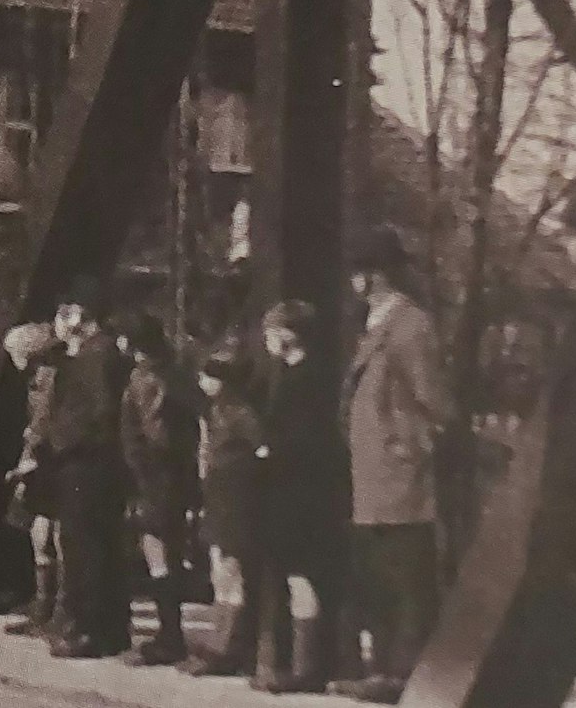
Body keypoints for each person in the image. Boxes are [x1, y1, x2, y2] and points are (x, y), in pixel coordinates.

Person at [330, 228, 455, 705]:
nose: (352, 283)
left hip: (399, 473)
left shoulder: (409, 325)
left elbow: (434, 401)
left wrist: (412, 447)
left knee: (405, 573)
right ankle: (382, 668)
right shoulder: (379, 323)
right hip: (373, 472)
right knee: (379, 572)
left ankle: (403, 672)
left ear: (373, 276)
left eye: (357, 274)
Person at [254, 299, 350, 694]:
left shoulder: (304, 381)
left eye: (270, 332)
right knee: (300, 576)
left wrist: (268, 450)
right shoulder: (308, 376)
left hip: (301, 494)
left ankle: (306, 668)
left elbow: (305, 439)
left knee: (302, 576)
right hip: (300, 492)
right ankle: (304, 663)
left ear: (287, 335)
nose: (266, 341)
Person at [37, 274, 131, 658]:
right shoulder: (99, 353)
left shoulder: (94, 356)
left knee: (84, 546)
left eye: (65, 312)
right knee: (100, 545)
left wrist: (61, 443)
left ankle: (88, 630)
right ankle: (108, 629)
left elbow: (95, 413)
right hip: (96, 464)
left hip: (85, 464)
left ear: (79, 314)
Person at [180, 340, 267, 678]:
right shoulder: (216, 412)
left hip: (236, 499)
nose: (202, 382)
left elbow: (262, 451)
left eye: (207, 377)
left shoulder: (240, 413)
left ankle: (228, 645)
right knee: (221, 569)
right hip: (219, 498)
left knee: (230, 572)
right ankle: (223, 640)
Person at [117, 311, 197, 666]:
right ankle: (170, 631)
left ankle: (169, 636)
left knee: (157, 552)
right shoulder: (175, 371)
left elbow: (153, 431)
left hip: (152, 475)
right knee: (169, 550)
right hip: (175, 474)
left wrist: (140, 465)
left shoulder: (144, 378)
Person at [0, 320, 63, 638]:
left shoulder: (47, 381)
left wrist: (30, 458)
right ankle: (44, 602)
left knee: (46, 532)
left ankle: (48, 604)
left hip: (45, 463)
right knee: (41, 531)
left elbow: (44, 423)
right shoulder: (40, 380)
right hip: (40, 459)